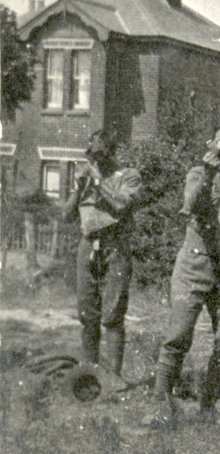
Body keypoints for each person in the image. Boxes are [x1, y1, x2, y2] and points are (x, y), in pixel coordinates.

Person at [152, 121, 220, 425]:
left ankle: (210, 403)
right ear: (211, 146)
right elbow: (189, 205)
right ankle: (160, 403)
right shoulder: (198, 174)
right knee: (178, 335)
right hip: (195, 264)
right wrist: (209, 174)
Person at [62, 130, 142, 380]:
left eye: (100, 154)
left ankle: (114, 378)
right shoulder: (85, 178)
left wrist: (98, 182)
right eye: (92, 155)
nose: (95, 160)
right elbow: (65, 216)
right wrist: (78, 189)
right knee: (87, 313)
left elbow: (120, 205)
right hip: (88, 246)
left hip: (114, 247)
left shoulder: (128, 176)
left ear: (111, 152)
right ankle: (90, 371)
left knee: (113, 314)